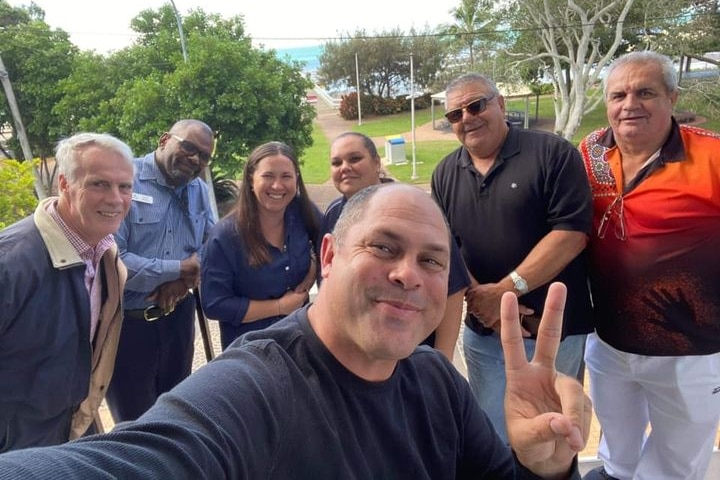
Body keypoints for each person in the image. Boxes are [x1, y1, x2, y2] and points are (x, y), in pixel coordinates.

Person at [0, 183, 592, 479]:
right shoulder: (253, 391)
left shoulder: (435, 380)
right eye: (383, 247)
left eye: (433, 261)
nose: (409, 274)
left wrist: (547, 466)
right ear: (329, 255)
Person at [578, 51, 720, 480]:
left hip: (691, 350)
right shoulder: (590, 153)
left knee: (676, 466)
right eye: (618, 94)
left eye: (645, 92)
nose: (629, 104)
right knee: (617, 455)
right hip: (610, 344)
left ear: (672, 97)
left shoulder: (712, 156)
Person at [431, 72, 594, 442]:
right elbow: (446, 248)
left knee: (551, 435)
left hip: (551, 335)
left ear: (501, 104)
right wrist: (484, 304)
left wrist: (506, 293)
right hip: (484, 334)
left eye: (476, 105)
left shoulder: (552, 153)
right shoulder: (445, 173)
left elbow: (571, 235)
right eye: (455, 114)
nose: (466, 118)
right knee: (490, 435)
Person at [0, 133, 134, 452]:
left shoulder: (105, 254)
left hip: (64, 434)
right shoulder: (11, 263)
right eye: (99, 184)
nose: (116, 198)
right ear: (64, 184)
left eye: (125, 186)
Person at [105, 119, 217, 423]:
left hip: (178, 318)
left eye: (204, 156)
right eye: (189, 147)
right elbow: (114, 261)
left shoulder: (198, 189)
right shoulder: (123, 182)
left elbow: (212, 242)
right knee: (135, 423)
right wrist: (178, 269)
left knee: (177, 410)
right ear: (164, 139)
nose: (195, 159)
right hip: (128, 327)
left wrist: (181, 284)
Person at [321, 131, 470, 359]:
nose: (345, 167)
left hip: (412, 356)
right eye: (336, 162)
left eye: (354, 159)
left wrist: (443, 358)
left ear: (377, 163)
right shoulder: (333, 215)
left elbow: (453, 288)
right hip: (351, 356)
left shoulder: (417, 213)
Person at [200, 141, 320, 349]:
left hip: (300, 341)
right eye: (268, 176)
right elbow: (215, 305)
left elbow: (330, 246)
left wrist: (311, 273)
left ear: (297, 179)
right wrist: (279, 307)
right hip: (252, 350)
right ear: (250, 178)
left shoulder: (301, 211)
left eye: (286, 176)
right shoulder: (225, 237)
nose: (277, 185)